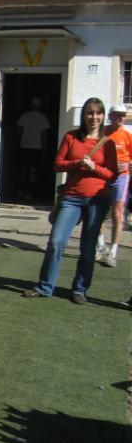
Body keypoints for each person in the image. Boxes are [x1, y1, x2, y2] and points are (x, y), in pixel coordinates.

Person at [23, 98, 116, 304]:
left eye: (98, 113)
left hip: (97, 200)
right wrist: (77, 163)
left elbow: (112, 175)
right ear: (84, 115)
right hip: (71, 198)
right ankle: (45, 286)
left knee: (88, 248)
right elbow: (57, 165)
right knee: (56, 242)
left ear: (103, 116)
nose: (94, 117)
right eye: (90, 113)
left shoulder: (107, 143)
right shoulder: (71, 137)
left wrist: (94, 168)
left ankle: (80, 289)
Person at [95, 104, 132, 267]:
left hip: (121, 178)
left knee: (118, 214)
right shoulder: (101, 133)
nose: (121, 117)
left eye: (123, 114)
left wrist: (129, 164)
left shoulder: (127, 135)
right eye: (117, 114)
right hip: (103, 176)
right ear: (110, 116)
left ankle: (113, 252)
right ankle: (100, 244)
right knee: (99, 211)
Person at [15, 97, 50, 200]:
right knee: (33, 171)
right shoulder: (43, 118)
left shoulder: (24, 116)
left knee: (23, 169)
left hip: (24, 145)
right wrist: (45, 146)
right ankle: (29, 193)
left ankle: (21, 191)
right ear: (39, 106)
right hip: (37, 147)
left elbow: (18, 130)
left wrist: (16, 142)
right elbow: (44, 134)